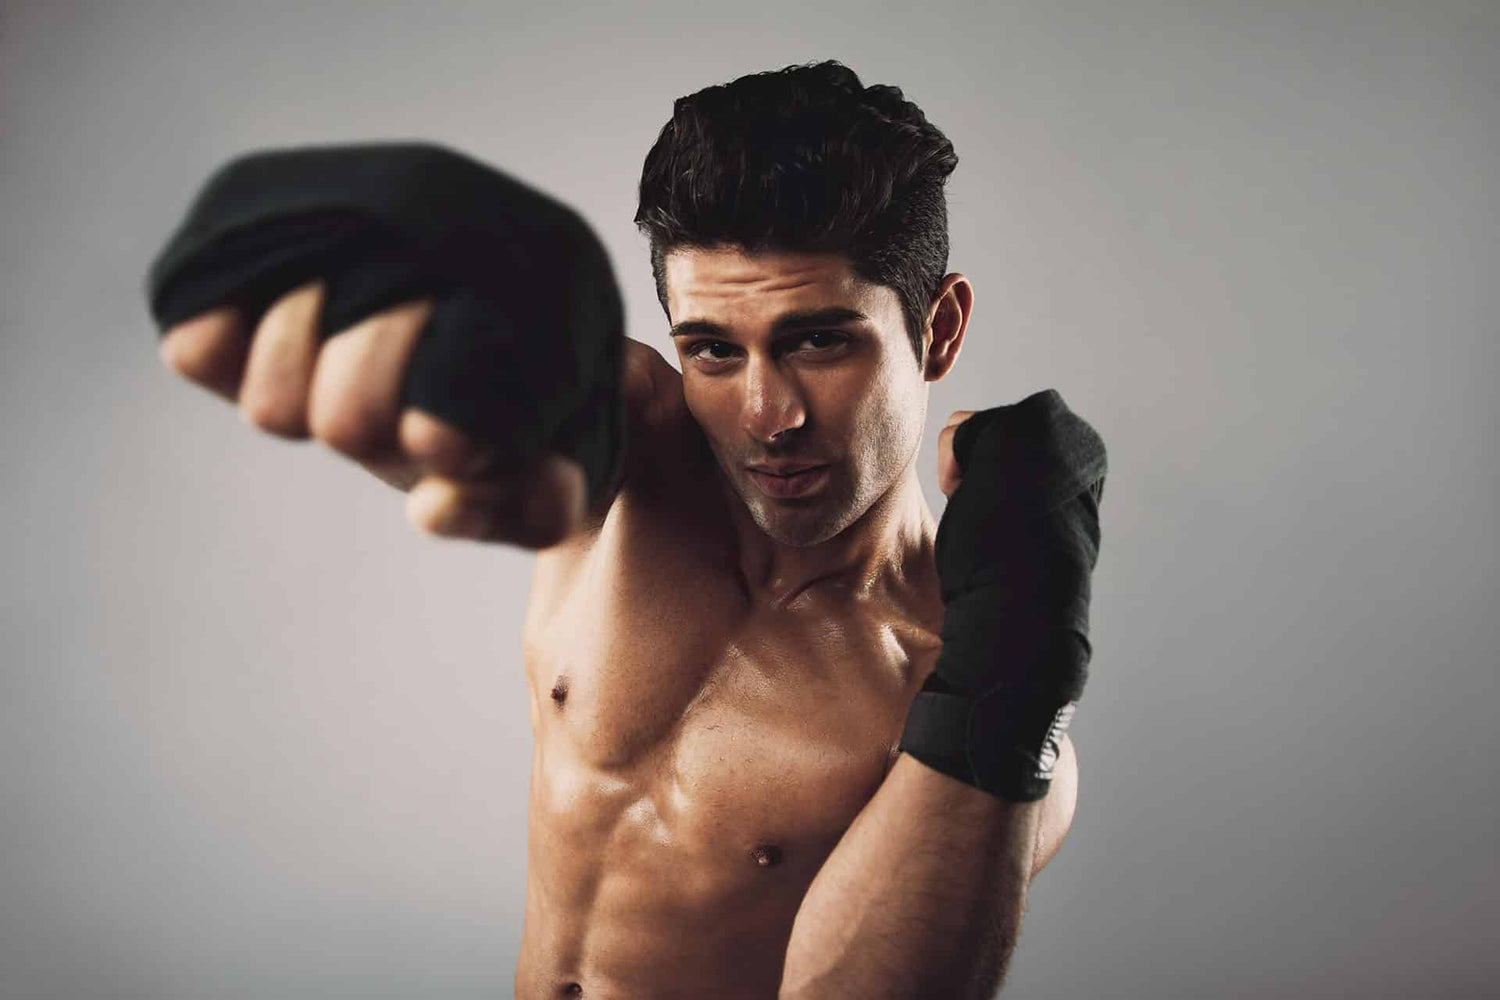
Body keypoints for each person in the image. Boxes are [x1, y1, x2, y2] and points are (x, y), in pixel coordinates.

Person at [153, 60, 1101, 999]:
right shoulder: (642, 451)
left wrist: (1008, 685)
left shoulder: (967, 699)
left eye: (819, 340)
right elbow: (508, 402)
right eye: (714, 350)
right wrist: (400, 292)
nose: (767, 414)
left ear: (939, 327)